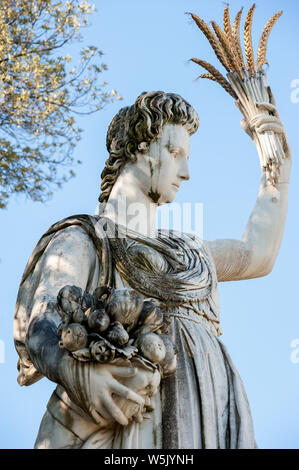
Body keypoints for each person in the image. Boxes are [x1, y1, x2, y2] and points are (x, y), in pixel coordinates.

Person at [14, 90, 291, 448]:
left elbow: (258, 255)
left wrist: (277, 173)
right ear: (139, 148)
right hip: (131, 417)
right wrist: (77, 373)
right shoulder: (86, 239)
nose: (186, 172)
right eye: (175, 153)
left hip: (213, 407)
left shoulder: (190, 252)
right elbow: (41, 323)